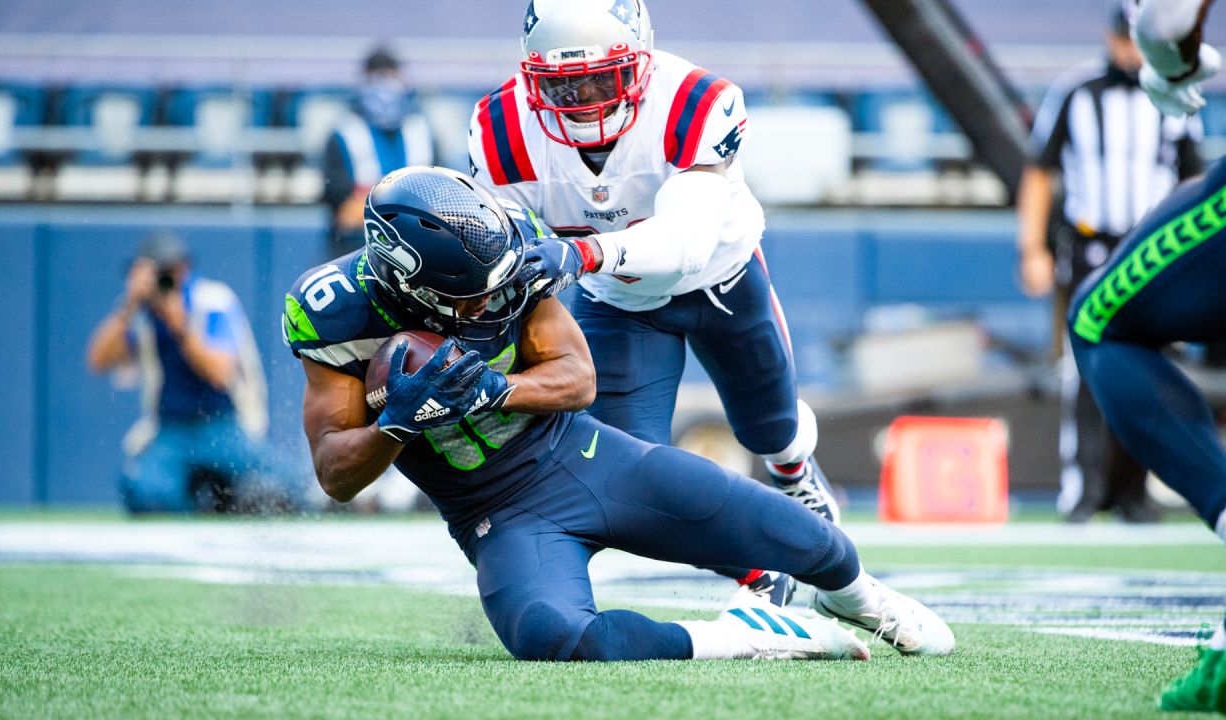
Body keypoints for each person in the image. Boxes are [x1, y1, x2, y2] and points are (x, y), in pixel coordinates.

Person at [283, 165, 954, 662]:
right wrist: (398, 422)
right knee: (553, 637)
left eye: (498, 290)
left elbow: (577, 378)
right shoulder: (337, 313)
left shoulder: (513, 251)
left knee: (812, 540)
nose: (490, 306)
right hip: (496, 514)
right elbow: (335, 476)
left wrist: (495, 389)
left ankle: (857, 597)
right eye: (468, 297)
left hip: (582, 457)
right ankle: (746, 638)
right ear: (407, 282)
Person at [464, 0, 838, 599]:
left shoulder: (694, 100)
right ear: (531, 78)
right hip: (618, 304)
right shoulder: (501, 130)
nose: (584, 100)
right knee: (632, 477)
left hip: (721, 282)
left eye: (600, 78)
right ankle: (756, 572)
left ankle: (794, 472)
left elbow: (685, 246)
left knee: (773, 429)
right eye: (564, 85)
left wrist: (584, 254)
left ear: (639, 60)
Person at [1068, 0, 1226, 709]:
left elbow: (1164, 21)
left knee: (1099, 322)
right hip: (1093, 224)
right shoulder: (1076, 95)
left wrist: (1172, 63)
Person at [1017, 0, 1203, 524]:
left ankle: (1133, 491)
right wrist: (1032, 247)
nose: (1128, 50)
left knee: (1151, 368)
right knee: (1085, 367)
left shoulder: (1172, 96)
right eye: (1123, 39)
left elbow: (1194, 180)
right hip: (1092, 248)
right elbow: (1039, 172)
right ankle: (1082, 489)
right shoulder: (1076, 91)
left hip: (1151, 251)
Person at [87, 233, 271, 513]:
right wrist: (129, 305)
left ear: (182, 268)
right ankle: (203, 495)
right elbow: (98, 361)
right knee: (148, 493)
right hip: (170, 430)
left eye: (164, 272)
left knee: (275, 487)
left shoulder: (212, 300)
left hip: (222, 425)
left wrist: (180, 327)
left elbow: (220, 373)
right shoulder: (142, 312)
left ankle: (224, 493)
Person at [321, 46, 434, 259]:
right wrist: (405, 209)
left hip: (416, 247)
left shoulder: (421, 131)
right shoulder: (343, 133)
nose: (384, 86)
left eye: (390, 77)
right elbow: (345, 211)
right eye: (377, 77)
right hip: (356, 248)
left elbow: (437, 201)